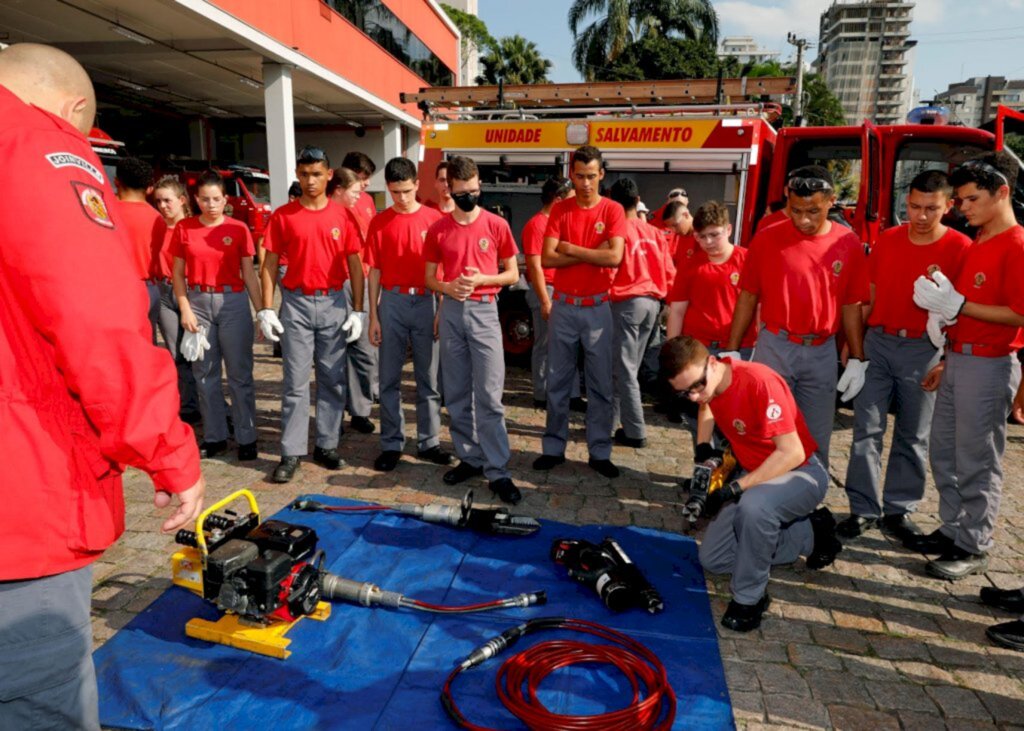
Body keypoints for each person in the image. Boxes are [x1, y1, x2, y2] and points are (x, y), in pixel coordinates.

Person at [0, 42, 203, 729]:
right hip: (19, 502)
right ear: (75, 111)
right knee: (36, 697)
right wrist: (169, 453)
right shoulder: (37, 148)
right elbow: (94, 318)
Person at [660, 336, 841, 632]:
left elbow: (792, 452)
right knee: (713, 559)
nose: (693, 397)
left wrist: (735, 489)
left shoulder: (759, 382)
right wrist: (705, 448)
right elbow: (708, 405)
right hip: (759, 474)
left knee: (754, 510)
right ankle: (810, 534)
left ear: (713, 363)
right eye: (685, 393)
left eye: (696, 386)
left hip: (801, 472)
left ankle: (749, 598)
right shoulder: (712, 385)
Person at [839, 171, 971, 543]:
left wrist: (947, 359)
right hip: (878, 343)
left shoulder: (961, 249)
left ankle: (899, 510)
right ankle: (862, 508)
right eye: (914, 206)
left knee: (914, 435)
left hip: (925, 350)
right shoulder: (888, 239)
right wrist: (854, 342)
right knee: (866, 429)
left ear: (949, 206)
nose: (922, 215)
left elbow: (962, 311)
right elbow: (872, 293)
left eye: (931, 208)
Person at [910, 152, 1024, 583]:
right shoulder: (981, 242)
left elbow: (1020, 313)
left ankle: (974, 544)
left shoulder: (1016, 244)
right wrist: (945, 329)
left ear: (1002, 193)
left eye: (972, 199)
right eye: (959, 200)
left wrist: (960, 305)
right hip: (961, 359)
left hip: (991, 364)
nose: (964, 208)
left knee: (978, 460)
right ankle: (955, 528)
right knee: (946, 453)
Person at [724, 165, 870, 465]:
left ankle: (808, 499)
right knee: (767, 429)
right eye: (795, 210)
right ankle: (762, 497)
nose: (803, 220)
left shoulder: (847, 243)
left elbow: (852, 305)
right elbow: (748, 295)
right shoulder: (767, 238)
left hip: (822, 352)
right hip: (775, 346)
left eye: (813, 211)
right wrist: (732, 348)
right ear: (787, 201)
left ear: (831, 202)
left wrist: (857, 357)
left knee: (816, 434)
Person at [258, 148, 366, 483]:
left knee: (333, 380)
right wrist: (265, 307)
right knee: (295, 382)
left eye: (316, 174)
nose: (310, 181)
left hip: (334, 303)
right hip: (297, 304)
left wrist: (358, 311)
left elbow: (355, 266)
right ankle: (291, 452)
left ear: (329, 174)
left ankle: (327, 445)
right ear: (297, 174)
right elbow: (270, 264)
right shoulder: (284, 216)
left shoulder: (344, 216)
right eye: (304, 174)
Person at [424, 156, 521, 503]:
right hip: (451, 311)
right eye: (463, 191)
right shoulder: (438, 229)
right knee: (457, 392)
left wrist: (483, 279)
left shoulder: (496, 225)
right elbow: (428, 277)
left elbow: (513, 274)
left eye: (475, 190)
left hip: (485, 310)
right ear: (449, 188)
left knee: (490, 396)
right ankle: (469, 456)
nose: (470, 196)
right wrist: (447, 288)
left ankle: (498, 470)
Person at [535, 145, 626, 478]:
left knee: (600, 384)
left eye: (592, 176)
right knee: (557, 382)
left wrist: (570, 249)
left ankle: (599, 451)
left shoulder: (613, 210)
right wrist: (590, 252)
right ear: (570, 175)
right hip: (564, 307)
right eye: (579, 176)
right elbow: (547, 259)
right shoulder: (561, 210)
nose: (586, 183)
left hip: (598, 308)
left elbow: (615, 257)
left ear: (601, 174)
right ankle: (553, 447)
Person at [365, 157, 452, 472]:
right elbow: (373, 270)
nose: (400, 198)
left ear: (417, 184)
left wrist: (442, 309)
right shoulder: (379, 222)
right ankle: (391, 443)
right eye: (394, 192)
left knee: (428, 379)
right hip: (392, 302)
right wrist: (372, 315)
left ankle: (429, 442)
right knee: (388, 378)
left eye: (405, 191)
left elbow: (445, 269)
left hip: (427, 301)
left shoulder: (435, 220)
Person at [172, 171, 263, 461]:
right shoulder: (184, 228)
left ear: (226, 200)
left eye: (216, 199)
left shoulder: (238, 229)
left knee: (240, 375)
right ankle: (215, 436)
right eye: (205, 199)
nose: (211, 205)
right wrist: (185, 308)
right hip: (198, 302)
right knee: (205, 375)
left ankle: (247, 436)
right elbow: (176, 273)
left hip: (233, 302)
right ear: (195, 200)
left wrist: (262, 310)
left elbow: (249, 272)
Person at [607, 177, 669, 449]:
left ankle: (635, 431)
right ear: (637, 199)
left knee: (624, 370)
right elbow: (669, 272)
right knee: (624, 368)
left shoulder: (617, 232)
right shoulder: (655, 232)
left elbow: (609, 270)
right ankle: (611, 422)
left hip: (626, 304)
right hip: (652, 304)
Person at [666, 201, 756, 356]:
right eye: (702, 236)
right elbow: (677, 312)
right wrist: (672, 351)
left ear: (728, 229)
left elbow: (760, 308)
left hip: (742, 347)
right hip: (697, 348)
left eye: (714, 235)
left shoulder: (749, 261)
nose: (708, 242)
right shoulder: (689, 265)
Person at [329, 166, 377, 435]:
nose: (360, 196)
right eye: (354, 192)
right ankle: (334, 413)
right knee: (334, 351)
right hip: (334, 286)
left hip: (360, 281)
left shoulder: (361, 206)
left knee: (363, 349)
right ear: (339, 191)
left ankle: (360, 410)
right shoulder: (325, 213)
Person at [522, 176, 578, 407]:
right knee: (545, 344)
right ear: (558, 199)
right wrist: (545, 300)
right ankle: (542, 393)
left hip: (563, 290)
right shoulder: (536, 225)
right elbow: (535, 266)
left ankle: (571, 394)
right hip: (546, 289)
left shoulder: (559, 222)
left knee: (569, 344)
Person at [151, 175, 202, 423]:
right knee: (176, 353)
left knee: (197, 351)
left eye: (167, 201)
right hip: (164, 291)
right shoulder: (156, 227)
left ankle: (211, 402)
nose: (162, 206)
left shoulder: (194, 227)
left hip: (191, 291)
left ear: (182, 200)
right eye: (158, 201)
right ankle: (189, 405)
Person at [114, 156, 161, 333]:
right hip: (150, 289)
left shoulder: (106, 212)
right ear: (149, 189)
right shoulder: (158, 219)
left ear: (116, 181)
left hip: (119, 290)